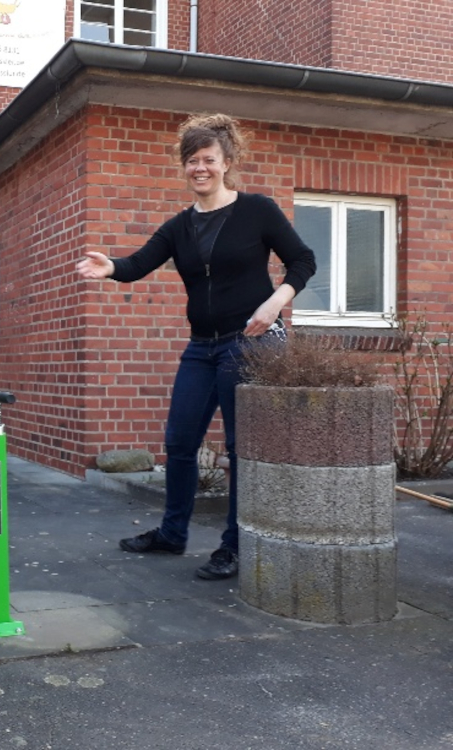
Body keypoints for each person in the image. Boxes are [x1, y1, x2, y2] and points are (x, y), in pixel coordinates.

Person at [77, 113, 316, 580]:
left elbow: (303, 261)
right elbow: (139, 263)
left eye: (208, 159)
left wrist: (274, 303)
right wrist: (111, 267)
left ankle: (235, 546)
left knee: (238, 449)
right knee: (180, 442)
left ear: (226, 163)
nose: (199, 168)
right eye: (191, 160)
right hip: (201, 348)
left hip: (249, 344)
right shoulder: (179, 227)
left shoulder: (257, 210)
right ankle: (172, 533)